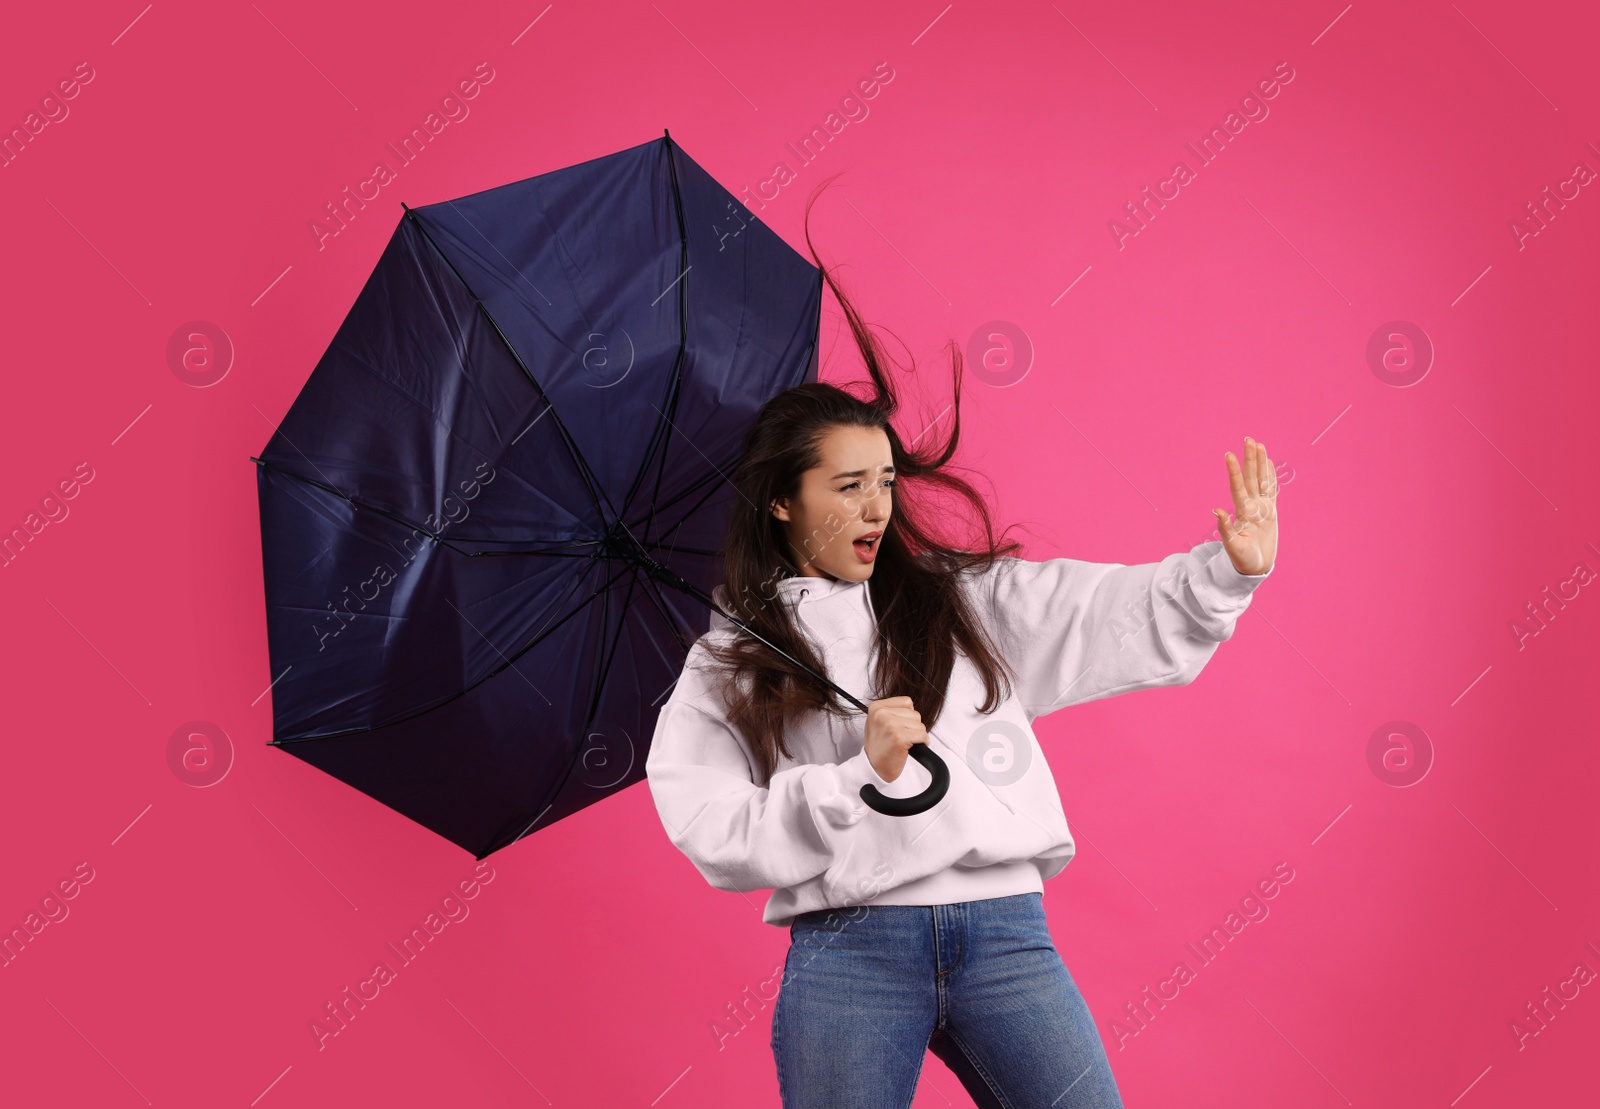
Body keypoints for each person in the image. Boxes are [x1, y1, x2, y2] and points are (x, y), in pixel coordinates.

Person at [644, 231, 1278, 1108]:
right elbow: (712, 826)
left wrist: (1221, 574)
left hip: (1008, 938)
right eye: (848, 486)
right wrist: (852, 778)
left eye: (886, 480)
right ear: (783, 500)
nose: (877, 506)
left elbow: (1094, 614)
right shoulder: (734, 658)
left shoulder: (959, 600)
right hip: (850, 952)